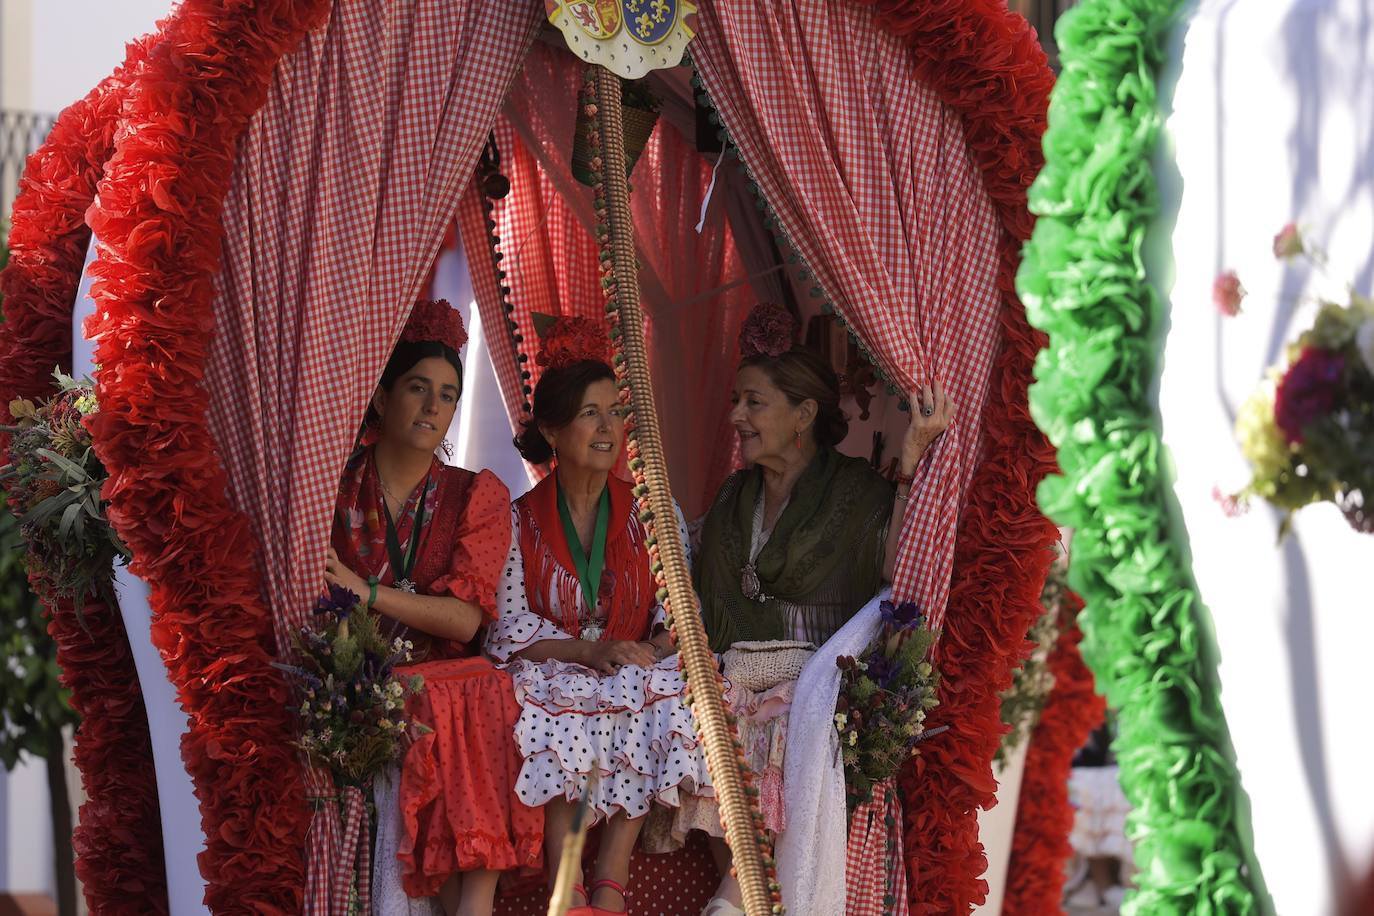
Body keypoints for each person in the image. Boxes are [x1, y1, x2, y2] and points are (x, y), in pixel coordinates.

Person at [675, 303, 953, 914]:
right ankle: (739, 898)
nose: (735, 417)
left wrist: (910, 460)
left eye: (753, 402)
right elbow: (696, 576)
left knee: (783, 723)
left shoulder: (855, 492)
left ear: (802, 414)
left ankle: (731, 903)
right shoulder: (733, 494)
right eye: (735, 401)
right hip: (729, 676)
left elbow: (893, 570)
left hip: (812, 679)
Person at [486, 316, 713, 916]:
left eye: (616, 411)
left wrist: (650, 650)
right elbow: (509, 631)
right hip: (559, 665)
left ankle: (610, 881)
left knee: (663, 685)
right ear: (553, 430)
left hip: (632, 665)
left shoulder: (653, 512)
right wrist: (587, 652)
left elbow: (680, 614)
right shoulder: (516, 521)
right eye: (591, 413)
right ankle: (569, 885)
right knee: (546, 690)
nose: (610, 427)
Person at [325, 299, 541, 916]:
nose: (433, 408)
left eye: (447, 395)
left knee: (475, 687)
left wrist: (365, 592)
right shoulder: (330, 486)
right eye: (418, 388)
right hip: (349, 681)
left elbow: (467, 619)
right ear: (381, 397)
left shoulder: (476, 494)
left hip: (439, 683)